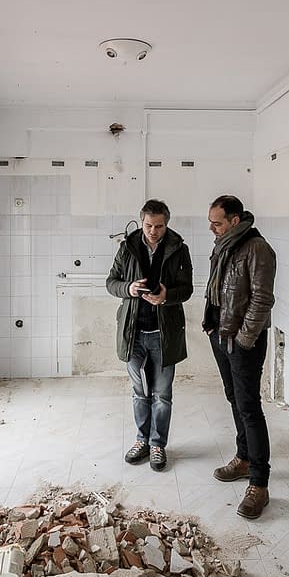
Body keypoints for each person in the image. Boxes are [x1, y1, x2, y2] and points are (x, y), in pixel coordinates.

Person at [106, 199, 193, 471]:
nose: (153, 231)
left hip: (163, 334)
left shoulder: (179, 249)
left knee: (162, 394)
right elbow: (111, 282)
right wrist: (128, 289)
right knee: (139, 392)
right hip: (133, 333)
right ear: (141, 221)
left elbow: (187, 289)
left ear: (167, 224)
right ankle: (141, 440)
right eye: (148, 226)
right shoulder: (127, 248)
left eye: (159, 226)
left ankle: (157, 444)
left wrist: (167, 296)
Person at [203, 194, 276, 520]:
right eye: (210, 222)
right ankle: (244, 458)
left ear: (235, 220)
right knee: (234, 398)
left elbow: (262, 299)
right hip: (221, 335)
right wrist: (213, 328)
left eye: (217, 222)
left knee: (249, 407)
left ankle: (259, 483)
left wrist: (245, 339)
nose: (212, 228)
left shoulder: (257, 248)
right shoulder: (225, 244)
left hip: (243, 341)